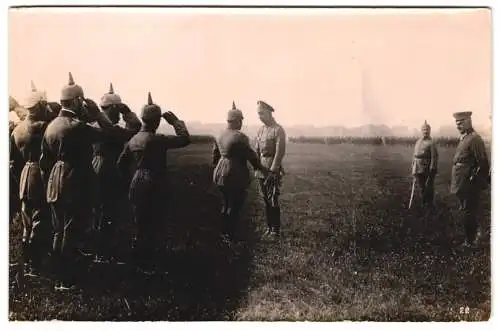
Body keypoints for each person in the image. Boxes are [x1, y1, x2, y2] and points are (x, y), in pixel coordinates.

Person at [40, 72, 115, 290]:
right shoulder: (77, 126)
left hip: (56, 176)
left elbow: (45, 160)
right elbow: (109, 133)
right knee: (72, 230)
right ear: (77, 101)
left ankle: (59, 274)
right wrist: (98, 115)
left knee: (59, 229)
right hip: (75, 179)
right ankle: (67, 279)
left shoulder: (52, 125)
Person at [117, 92, 190, 274]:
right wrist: (175, 122)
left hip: (137, 180)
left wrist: (130, 178)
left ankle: (138, 260)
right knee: (155, 222)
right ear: (156, 121)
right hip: (156, 181)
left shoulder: (133, 139)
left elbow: (121, 163)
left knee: (140, 222)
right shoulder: (157, 140)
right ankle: (148, 262)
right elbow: (184, 139)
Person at [91, 83, 141, 263]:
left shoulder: (94, 125)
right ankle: (104, 252)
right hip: (110, 167)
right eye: (117, 110)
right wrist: (127, 110)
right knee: (109, 210)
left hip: (95, 165)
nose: (119, 115)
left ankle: (98, 250)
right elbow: (135, 126)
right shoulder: (113, 130)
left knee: (98, 210)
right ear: (113, 108)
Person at [10, 81, 54, 276]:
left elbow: (13, 159)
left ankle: (27, 261)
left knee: (27, 220)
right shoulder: (44, 127)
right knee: (39, 218)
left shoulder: (17, 130)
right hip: (39, 173)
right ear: (40, 106)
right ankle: (35, 264)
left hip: (24, 175)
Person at [212, 101, 269, 243]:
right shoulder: (240, 137)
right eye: (240, 120)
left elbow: (215, 155)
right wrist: (263, 169)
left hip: (220, 172)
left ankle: (224, 232)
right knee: (234, 205)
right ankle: (230, 235)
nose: (241, 123)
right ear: (237, 121)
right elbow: (252, 157)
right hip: (234, 173)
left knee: (225, 204)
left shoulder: (220, 134)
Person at [450, 111, 490, 248]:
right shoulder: (464, 138)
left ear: (469, 121)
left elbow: (483, 163)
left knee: (469, 211)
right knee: (466, 210)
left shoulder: (474, 139)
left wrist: (475, 179)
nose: (458, 126)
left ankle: (470, 241)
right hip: (461, 180)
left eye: (461, 122)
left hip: (469, 182)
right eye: (457, 123)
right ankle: (474, 235)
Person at [254, 100, 286, 239]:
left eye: (261, 113)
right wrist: (257, 167)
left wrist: (273, 171)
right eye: (258, 113)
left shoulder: (278, 130)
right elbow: (256, 149)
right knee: (265, 199)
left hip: (272, 168)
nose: (259, 116)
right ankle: (269, 227)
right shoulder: (261, 129)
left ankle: (275, 230)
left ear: (269, 112)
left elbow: (279, 152)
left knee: (272, 198)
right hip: (261, 168)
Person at [411, 120, 439, 209]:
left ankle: (429, 203)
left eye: (427, 129)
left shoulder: (431, 142)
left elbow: (434, 157)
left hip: (427, 167)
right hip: (417, 167)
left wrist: (432, 169)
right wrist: (413, 164)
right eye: (423, 129)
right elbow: (414, 154)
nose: (425, 131)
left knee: (428, 186)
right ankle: (424, 202)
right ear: (421, 130)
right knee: (421, 186)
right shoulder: (418, 141)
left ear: (430, 130)